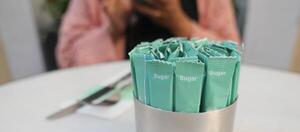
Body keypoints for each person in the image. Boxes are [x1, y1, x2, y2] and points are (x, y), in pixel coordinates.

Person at [56, 0, 240, 68]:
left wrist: (181, 24)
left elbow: (231, 56)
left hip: (190, 102)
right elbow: (67, 59)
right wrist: (113, 30)